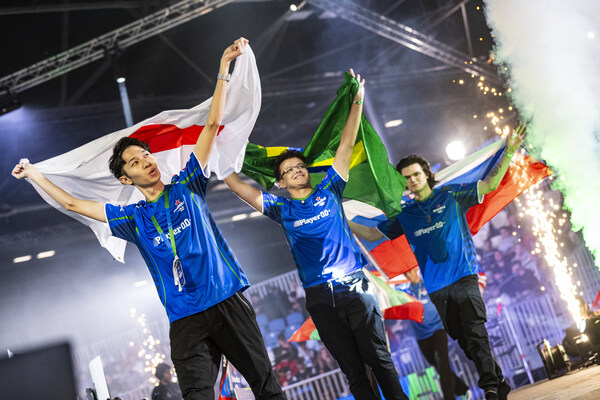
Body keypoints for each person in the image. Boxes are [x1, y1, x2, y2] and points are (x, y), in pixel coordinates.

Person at [12, 38, 284, 400]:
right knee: (196, 394)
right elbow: (74, 203)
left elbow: (211, 124)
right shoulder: (132, 218)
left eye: (146, 155)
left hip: (226, 299)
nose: (146, 162)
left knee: (264, 384)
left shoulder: (188, 184)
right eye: (135, 162)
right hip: (185, 319)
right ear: (126, 180)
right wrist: (34, 175)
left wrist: (223, 68)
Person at [224, 70, 408, 400]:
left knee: (379, 359)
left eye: (300, 166)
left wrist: (357, 102)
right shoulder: (281, 208)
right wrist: (220, 162)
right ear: (280, 182)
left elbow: (346, 143)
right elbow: (240, 189)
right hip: (320, 299)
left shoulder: (330, 189)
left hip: (355, 287)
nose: (297, 170)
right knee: (353, 371)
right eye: (289, 170)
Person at [348, 126, 526, 400]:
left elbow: (489, 185)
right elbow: (372, 233)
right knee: (465, 342)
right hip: (437, 289)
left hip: (464, 276)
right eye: (407, 177)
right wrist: (341, 219)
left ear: (426, 174)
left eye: (416, 174)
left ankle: (490, 388)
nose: (412, 180)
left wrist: (510, 151)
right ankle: (498, 379)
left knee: (476, 333)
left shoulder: (451, 194)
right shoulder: (404, 214)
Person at [403, 267, 471, 400]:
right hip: (421, 335)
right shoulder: (405, 292)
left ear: (415, 269)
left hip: (437, 329)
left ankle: (449, 397)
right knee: (438, 366)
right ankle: (462, 389)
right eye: (406, 274)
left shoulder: (429, 285)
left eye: (409, 271)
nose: (408, 275)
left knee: (442, 363)